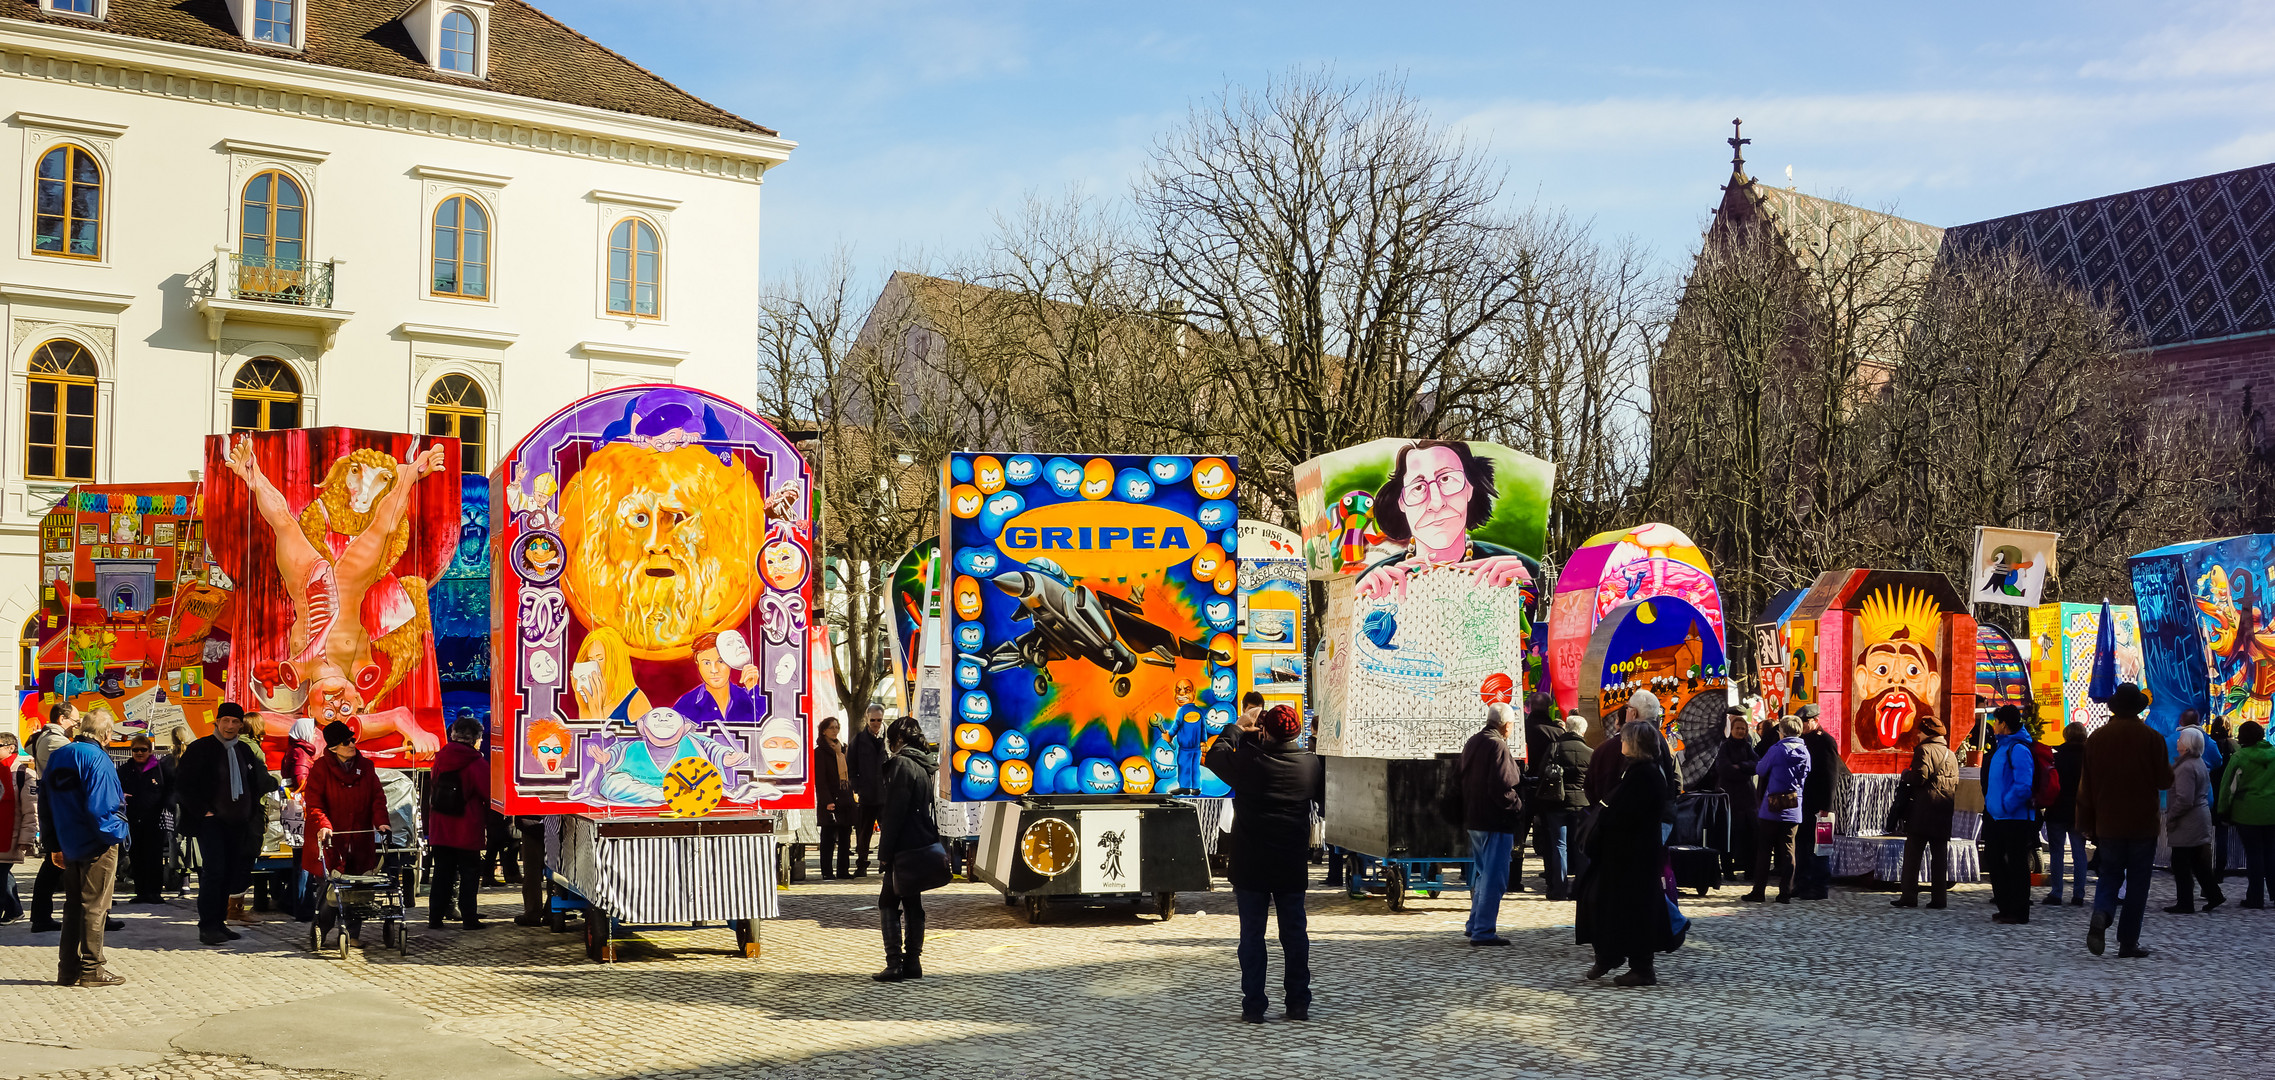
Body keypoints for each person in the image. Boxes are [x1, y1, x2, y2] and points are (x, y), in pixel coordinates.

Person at [1206, 703, 1322, 1022]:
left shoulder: (1249, 761)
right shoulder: (1310, 765)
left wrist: (1238, 727)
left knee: (1252, 937)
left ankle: (1254, 1006)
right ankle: (1298, 1003)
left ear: (1265, 730)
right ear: (1297, 731)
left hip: (1251, 864)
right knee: (1295, 935)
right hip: (1290, 863)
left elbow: (1214, 756)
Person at [1574, 721, 1677, 987]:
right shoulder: (1636, 770)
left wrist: (1607, 818)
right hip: (1625, 856)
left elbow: (1629, 815)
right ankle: (1611, 955)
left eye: (1625, 739)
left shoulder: (1646, 775)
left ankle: (1638, 966)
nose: (1621, 742)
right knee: (1612, 906)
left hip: (1635, 858)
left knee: (1634, 911)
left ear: (1636, 744)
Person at [2076, 683, 2173, 956]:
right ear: (2139, 709)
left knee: (2110, 874)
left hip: (2108, 821)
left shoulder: (2096, 738)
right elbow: (2164, 780)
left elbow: (2086, 787)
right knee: (2138, 883)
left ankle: (2102, 913)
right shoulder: (2152, 738)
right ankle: (2128, 942)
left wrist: (2086, 823)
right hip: (2142, 822)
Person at [175, 702, 277, 945]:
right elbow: (183, 784)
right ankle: (208, 926)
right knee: (214, 873)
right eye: (225, 721)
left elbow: (256, 782)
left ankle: (220, 922)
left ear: (241, 725)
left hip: (239, 822)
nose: (230, 726)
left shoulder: (244, 750)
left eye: (235, 722)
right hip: (212, 823)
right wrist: (204, 811)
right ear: (217, 723)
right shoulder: (201, 748)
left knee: (230, 874)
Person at [41, 708, 129, 986]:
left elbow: (45, 803)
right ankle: (92, 969)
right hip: (95, 843)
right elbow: (101, 809)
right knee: (95, 906)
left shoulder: (59, 755)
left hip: (68, 841)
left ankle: (67, 970)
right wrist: (119, 834)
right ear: (106, 734)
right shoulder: (98, 759)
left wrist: (53, 843)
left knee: (73, 906)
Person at [303, 721, 391, 942]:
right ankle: (321, 931)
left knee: (357, 889)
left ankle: (352, 934)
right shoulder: (320, 769)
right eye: (346, 742)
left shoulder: (366, 767)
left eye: (353, 740)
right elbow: (314, 804)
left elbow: (377, 798)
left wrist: (382, 822)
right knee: (329, 891)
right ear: (333, 747)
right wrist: (324, 825)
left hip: (360, 840)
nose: (352, 744)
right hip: (330, 842)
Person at [872, 716, 938, 982]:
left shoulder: (902, 764)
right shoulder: (923, 765)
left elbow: (895, 813)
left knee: (887, 902)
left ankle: (895, 964)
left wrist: (884, 854)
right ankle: (912, 962)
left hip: (903, 845)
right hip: (921, 841)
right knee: (912, 902)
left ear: (898, 738)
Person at [1456, 702, 1526, 946]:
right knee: (1493, 877)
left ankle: (1475, 924)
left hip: (1475, 817)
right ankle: (1483, 930)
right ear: (1506, 725)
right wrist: (1517, 805)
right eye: (1512, 725)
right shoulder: (1497, 745)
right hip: (1493, 820)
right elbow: (1502, 785)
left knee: (1482, 874)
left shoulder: (1474, 740)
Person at [425, 718, 490, 930]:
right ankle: (469, 918)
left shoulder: (441, 758)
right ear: (476, 739)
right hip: (466, 827)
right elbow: (488, 792)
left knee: (442, 872)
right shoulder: (476, 762)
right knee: (469, 874)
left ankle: (435, 917)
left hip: (441, 827)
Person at [1890, 717, 1959, 909]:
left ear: (1927, 733)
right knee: (1939, 859)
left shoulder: (1924, 750)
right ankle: (1939, 899)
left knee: (1913, 856)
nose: (1918, 735)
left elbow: (1920, 777)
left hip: (1922, 811)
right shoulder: (1950, 754)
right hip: (1943, 811)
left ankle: (1909, 896)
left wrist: (1905, 775)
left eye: (1920, 731)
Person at [1981, 706, 2039, 925]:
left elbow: (2023, 785)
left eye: (1995, 721)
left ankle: (2019, 910)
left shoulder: (2018, 749)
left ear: (2003, 724)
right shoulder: (2001, 748)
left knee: (2016, 864)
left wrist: (2006, 805)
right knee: (1994, 860)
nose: (1994, 725)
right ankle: (2005, 907)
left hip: (2014, 817)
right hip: (1998, 816)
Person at [26, 702, 77, 933]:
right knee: (54, 861)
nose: (75, 726)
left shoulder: (47, 737)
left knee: (55, 862)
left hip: (55, 804)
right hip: (58, 806)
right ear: (62, 719)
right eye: (74, 722)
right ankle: (41, 917)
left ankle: (41, 916)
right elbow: (77, 760)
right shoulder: (55, 740)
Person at [1532, 712, 1592, 901]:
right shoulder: (1590, 753)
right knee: (1580, 847)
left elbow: (1542, 774)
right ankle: (1580, 889)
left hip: (1556, 803)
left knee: (1559, 846)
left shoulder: (1555, 748)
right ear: (1583, 732)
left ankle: (1559, 889)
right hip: (1582, 804)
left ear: (1566, 728)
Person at [2165, 727, 2225, 914]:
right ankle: (2214, 894)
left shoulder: (2186, 767)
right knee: (2198, 862)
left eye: (2181, 739)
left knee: (2181, 862)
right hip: (2197, 818)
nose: (2177, 741)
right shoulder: (2196, 762)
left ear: (2187, 745)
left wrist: (2171, 815)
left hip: (2188, 821)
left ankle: (2185, 902)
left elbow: (2184, 799)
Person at [1748, 717, 1808, 903]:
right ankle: (1785, 893)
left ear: (1781, 732)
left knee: (1765, 849)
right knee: (1789, 850)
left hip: (1772, 806)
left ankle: (1759, 892)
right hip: (1793, 806)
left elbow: (1761, 769)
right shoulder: (1805, 752)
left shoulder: (1777, 750)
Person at [2217, 720, 2275, 909]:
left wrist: (2223, 811)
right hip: (2272, 811)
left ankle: (2255, 897)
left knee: (2254, 855)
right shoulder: (2274, 754)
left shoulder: (2240, 757)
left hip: (2247, 812)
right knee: (2271, 853)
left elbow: (2228, 788)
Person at [115, 736, 172, 905]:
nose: (139, 753)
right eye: (135, 750)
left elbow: (170, 790)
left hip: (154, 819)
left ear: (150, 750)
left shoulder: (160, 769)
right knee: (136, 856)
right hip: (132, 819)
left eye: (143, 749)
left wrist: (167, 805)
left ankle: (155, 892)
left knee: (154, 857)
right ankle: (140, 891)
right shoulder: (124, 769)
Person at [1794, 705, 1840, 900]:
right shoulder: (1802, 740)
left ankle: (1820, 886)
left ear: (1815, 720)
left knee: (1819, 846)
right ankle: (1802, 884)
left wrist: (1826, 806)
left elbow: (1831, 776)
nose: (1802, 726)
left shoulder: (1825, 741)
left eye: (1805, 722)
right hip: (1803, 802)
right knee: (1802, 844)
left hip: (1819, 804)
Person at [2041, 722, 2089, 906]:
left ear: (2065, 735)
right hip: (2079, 810)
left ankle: (2056, 892)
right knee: (2079, 853)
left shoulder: (2057, 758)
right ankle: (2079, 894)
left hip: (2058, 808)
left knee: (2056, 852)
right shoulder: (2088, 758)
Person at [1711, 710, 1759, 879]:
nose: (1740, 731)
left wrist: (1741, 766)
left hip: (1747, 798)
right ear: (1731, 729)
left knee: (1750, 834)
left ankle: (1750, 870)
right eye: (1737, 728)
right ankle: (1728, 869)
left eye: (1743, 729)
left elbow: (1757, 765)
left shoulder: (1747, 746)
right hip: (1729, 797)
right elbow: (1724, 769)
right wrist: (1743, 770)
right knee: (1730, 834)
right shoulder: (1725, 747)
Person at [848, 705, 889, 878]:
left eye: (879, 720)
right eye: (873, 720)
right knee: (863, 832)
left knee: (888, 830)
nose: (876, 724)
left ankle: (886, 862)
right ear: (867, 719)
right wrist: (858, 787)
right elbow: (852, 766)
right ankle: (862, 864)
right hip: (867, 794)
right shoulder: (858, 740)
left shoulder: (890, 739)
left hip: (886, 794)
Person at [1, 732, 36, 924]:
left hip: (11, 833)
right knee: (4, 873)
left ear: (10, 747)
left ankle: (12, 911)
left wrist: (27, 838)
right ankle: (15, 910)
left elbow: (31, 810)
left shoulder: (23, 773)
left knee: (2, 872)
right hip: (1, 832)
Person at [814, 717, 853, 880]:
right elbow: (820, 780)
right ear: (824, 731)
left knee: (845, 836)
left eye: (837, 727)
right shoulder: (820, 752)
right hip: (830, 799)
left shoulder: (842, 749)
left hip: (845, 796)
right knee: (828, 837)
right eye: (831, 728)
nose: (835, 730)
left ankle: (843, 870)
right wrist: (827, 801)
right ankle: (827, 871)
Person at [2208, 715, 2240, 881]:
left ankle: (2203, 868)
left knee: (2205, 834)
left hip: (2209, 791)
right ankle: (2219, 871)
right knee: (2222, 833)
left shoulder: (2208, 744)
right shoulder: (2235, 746)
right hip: (2227, 793)